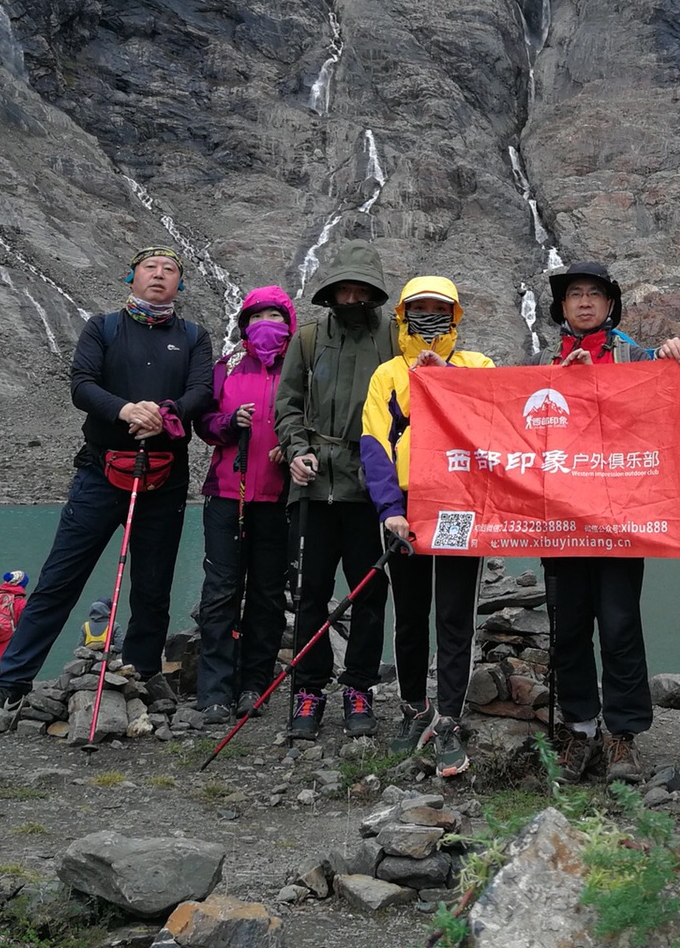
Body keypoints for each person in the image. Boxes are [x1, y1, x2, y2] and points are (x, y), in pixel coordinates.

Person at [0, 246, 214, 728]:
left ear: (179, 284)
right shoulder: (103, 327)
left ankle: (142, 674)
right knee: (60, 578)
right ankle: (11, 683)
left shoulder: (194, 336)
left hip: (164, 475)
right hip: (100, 471)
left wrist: (165, 415)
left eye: (170, 271)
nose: (159, 276)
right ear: (132, 276)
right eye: (150, 268)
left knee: (154, 585)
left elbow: (200, 392)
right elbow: (82, 384)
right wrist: (124, 410)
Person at [541, 261, 680, 784]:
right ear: (561, 307)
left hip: (621, 517)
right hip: (558, 520)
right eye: (573, 294)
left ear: (609, 305)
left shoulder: (638, 358)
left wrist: (671, 364)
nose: (583, 302)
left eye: (593, 295)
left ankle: (622, 734)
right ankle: (580, 728)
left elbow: (668, 412)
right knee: (569, 626)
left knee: (621, 623)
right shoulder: (541, 364)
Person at [362, 276, 495, 776]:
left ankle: (450, 720)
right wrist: (389, 508)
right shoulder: (387, 374)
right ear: (403, 315)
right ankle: (414, 708)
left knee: (455, 614)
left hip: (461, 506)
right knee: (412, 612)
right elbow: (374, 444)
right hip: (407, 509)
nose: (430, 316)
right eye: (420, 308)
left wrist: (445, 381)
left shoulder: (478, 367)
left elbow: (495, 422)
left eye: (441, 308)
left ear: (455, 316)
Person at [275, 243, 400, 740]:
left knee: (369, 593)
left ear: (374, 292)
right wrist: (296, 447)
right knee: (309, 595)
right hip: (313, 487)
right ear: (329, 292)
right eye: (343, 288)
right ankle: (308, 689)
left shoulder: (394, 338)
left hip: (373, 488)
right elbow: (288, 403)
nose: (351, 296)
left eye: (361, 288)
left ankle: (360, 688)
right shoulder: (306, 340)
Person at [192, 285, 299, 724]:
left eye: (274, 315)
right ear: (244, 324)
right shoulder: (227, 366)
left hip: (280, 496)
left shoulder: (301, 366)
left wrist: (291, 447)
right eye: (256, 316)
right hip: (226, 493)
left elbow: (308, 418)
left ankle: (255, 684)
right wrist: (226, 424)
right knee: (220, 591)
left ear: (288, 322)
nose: (265, 324)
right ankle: (214, 690)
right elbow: (203, 419)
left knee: (268, 595)